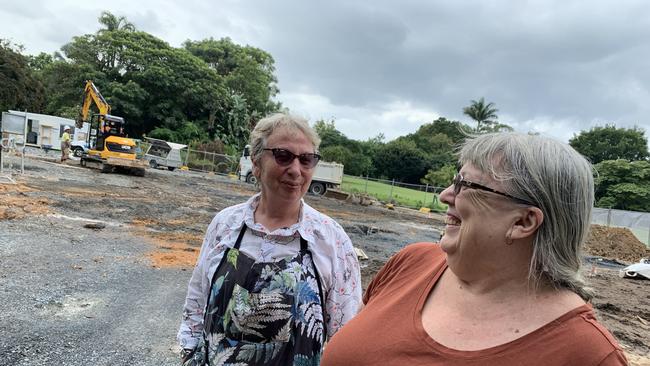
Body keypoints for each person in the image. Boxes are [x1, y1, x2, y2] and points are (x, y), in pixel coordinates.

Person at [321, 132, 627, 366]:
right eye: (455, 180)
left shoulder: (588, 354)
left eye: (467, 185)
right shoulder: (410, 263)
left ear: (524, 221)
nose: (444, 195)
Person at [178, 113, 362, 365]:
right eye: (283, 156)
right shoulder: (225, 225)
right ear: (256, 163)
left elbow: (346, 334)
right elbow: (198, 297)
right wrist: (188, 353)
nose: (296, 170)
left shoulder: (331, 239)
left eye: (306, 159)